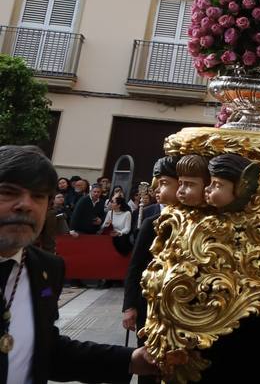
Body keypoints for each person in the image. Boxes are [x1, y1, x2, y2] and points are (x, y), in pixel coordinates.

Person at [0, 145, 158, 382]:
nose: (26, 205)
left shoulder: (47, 268)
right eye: (9, 192)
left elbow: (46, 350)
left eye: (39, 196)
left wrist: (131, 360)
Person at [123, 158, 178, 337]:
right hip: (149, 300)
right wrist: (130, 305)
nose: (157, 190)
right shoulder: (150, 223)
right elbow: (136, 265)